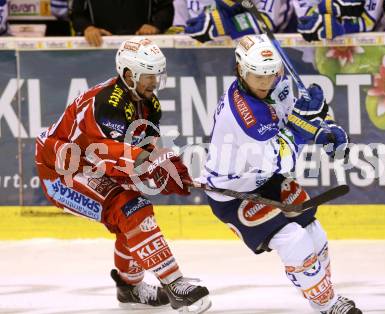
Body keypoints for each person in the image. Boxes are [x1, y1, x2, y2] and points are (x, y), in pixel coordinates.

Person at [35, 37, 211, 314]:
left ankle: (130, 288)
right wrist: (152, 165)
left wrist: (169, 165)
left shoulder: (148, 103)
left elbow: (146, 145)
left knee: (131, 214)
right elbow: (109, 153)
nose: (155, 82)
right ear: (129, 74)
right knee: (131, 209)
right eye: (149, 76)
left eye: (158, 75)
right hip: (62, 172)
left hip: (90, 163)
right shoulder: (107, 104)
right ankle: (174, 283)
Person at [200, 34, 362, 313]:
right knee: (294, 239)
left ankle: (325, 295)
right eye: (257, 76)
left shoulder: (277, 83)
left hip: (263, 180)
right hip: (234, 194)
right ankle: (328, 305)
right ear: (240, 69)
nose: (265, 83)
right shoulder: (241, 116)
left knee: (314, 231)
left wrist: (320, 130)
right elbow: (278, 161)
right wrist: (303, 130)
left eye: (270, 74)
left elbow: (289, 121)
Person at [169, 0, 297, 42]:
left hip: (274, 56)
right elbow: (179, 32)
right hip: (205, 65)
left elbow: (266, 23)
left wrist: (225, 24)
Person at [70, 0, 174, 46]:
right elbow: (77, 14)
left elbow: (165, 8)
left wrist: (155, 26)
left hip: (143, 48)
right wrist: (87, 28)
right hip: (100, 47)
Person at [294, 0, 385, 41]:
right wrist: (324, 7)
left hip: (374, 46)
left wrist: (340, 24)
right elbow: (306, 22)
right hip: (316, 52)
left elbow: (368, 21)